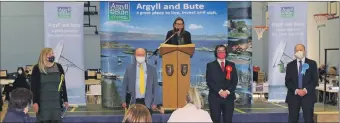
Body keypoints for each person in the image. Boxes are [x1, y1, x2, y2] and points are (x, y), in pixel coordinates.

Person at [31, 48, 69, 123]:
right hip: (42, 104)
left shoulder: (59, 67)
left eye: (53, 53)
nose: (53, 55)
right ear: (44, 56)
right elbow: (33, 87)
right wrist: (35, 102)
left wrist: (65, 100)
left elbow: (63, 84)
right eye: (50, 54)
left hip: (56, 103)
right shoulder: (37, 68)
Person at [285, 44, 318, 123]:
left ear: (305, 51)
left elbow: (314, 80)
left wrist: (305, 90)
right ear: (294, 52)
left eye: (301, 50)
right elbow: (287, 81)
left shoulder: (312, 63)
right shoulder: (290, 65)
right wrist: (297, 90)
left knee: (309, 119)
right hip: (293, 96)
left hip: (308, 96)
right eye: (297, 50)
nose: (299, 51)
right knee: (292, 119)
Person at [121, 48, 159, 115]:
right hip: (133, 102)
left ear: (145, 56)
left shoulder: (152, 69)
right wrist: (123, 100)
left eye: (142, 55)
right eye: (138, 55)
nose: (140, 57)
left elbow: (155, 87)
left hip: (148, 103)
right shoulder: (129, 68)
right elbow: (124, 85)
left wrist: (155, 102)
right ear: (135, 55)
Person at [206, 45, 238, 123]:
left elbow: (235, 81)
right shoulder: (210, 65)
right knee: (215, 120)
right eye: (219, 51)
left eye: (223, 51)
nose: (221, 53)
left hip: (229, 98)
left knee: (228, 120)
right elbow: (209, 81)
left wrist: (227, 91)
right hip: (215, 97)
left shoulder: (232, 65)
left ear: (226, 53)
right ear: (216, 53)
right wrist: (220, 91)